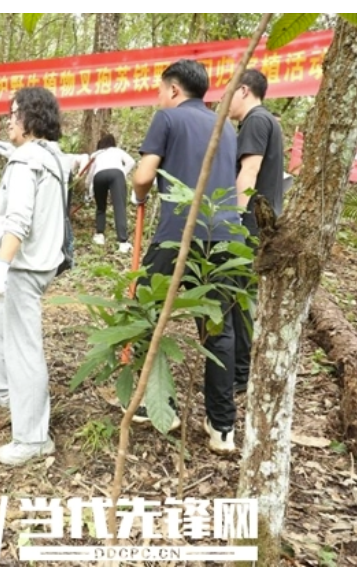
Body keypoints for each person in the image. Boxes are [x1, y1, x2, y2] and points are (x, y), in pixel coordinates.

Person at [130, 59, 243, 454]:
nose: (160, 97)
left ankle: (157, 405)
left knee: (145, 313)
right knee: (218, 329)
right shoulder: (226, 125)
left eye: (161, 90)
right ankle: (222, 427)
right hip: (223, 236)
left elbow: (143, 176)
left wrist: (139, 196)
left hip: (177, 234)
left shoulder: (168, 118)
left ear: (174, 89)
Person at [0, 86, 69, 466]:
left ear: (31, 118)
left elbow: (18, 219)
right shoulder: (49, 156)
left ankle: (33, 438)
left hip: (23, 266)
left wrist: (1, 268)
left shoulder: (26, 161)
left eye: (14, 114)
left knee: (23, 348)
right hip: (41, 262)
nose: (8, 121)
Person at [228, 69, 286, 396]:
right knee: (246, 296)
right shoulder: (267, 122)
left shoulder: (256, 120)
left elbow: (249, 170)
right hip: (260, 221)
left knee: (240, 296)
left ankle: (241, 372)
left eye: (230, 92)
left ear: (244, 90)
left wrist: (234, 218)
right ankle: (246, 368)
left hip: (249, 223)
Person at [87, 134, 137, 253]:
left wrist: (89, 190)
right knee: (119, 208)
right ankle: (123, 242)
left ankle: (99, 235)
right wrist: (122, 173)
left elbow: (90, 175)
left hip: (99, 176)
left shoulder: (96, 154)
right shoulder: (117, 151)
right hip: (116, 174)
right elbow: (131, 162)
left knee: (101, 207)